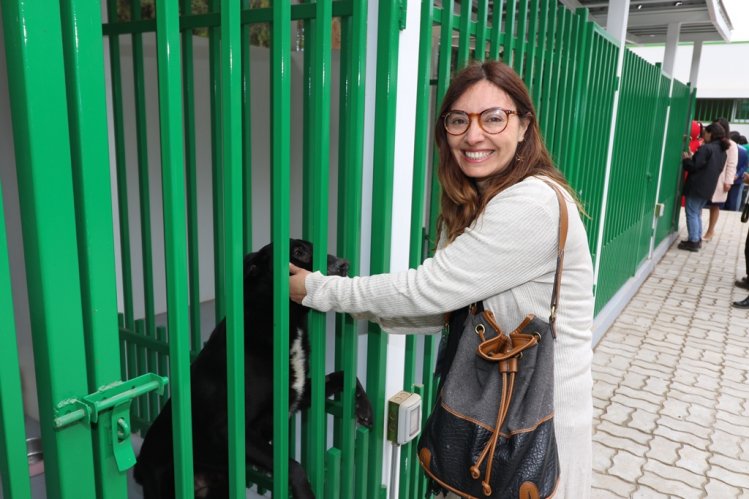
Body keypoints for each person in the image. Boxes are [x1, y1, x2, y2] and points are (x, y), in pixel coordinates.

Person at [289, 61, 595, 498]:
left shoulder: (532, 204)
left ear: (525, 126)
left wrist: (315, 290)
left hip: (533, 425)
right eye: (458, 119)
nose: (473, 135)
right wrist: (379, 311)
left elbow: (425, 289)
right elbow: (442, 309)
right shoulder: (478, 201)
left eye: (494, 118)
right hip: (490, 414)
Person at [679, 123, 729, 252]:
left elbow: (693, 166)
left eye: (705, 132)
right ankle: (697, 238)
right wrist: (693, 157)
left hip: (697, 185)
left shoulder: (706, 148)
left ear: (711, 134)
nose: (703, 134)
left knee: (691, 213)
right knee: (696, 213)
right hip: (708, 187)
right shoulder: (722, 152)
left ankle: (693, 241)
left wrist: (686, 160)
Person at [702, 118, 738, 241]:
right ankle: (698, 229)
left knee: (715, 206)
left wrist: (728, 181)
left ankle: (710, 230)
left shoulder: (731, 145)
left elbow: (732, 164)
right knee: (700, 203)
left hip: (720, 180)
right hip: (707, 177)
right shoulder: (708, 142)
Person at [724, 132, 748, 211]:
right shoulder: (744, 151)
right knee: (733, 201)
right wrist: (738, 174)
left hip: (725, 178)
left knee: (724, 201)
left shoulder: (726, 149)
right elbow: (745, 165)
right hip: (737, 179)